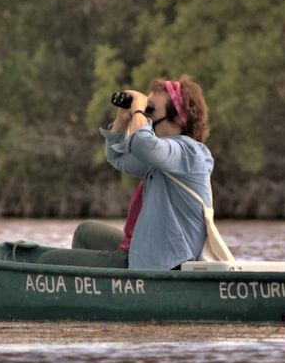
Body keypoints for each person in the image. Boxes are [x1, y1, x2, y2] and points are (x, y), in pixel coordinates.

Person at [37, 75, 214, 270]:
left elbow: (144, 144)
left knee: (48, 262)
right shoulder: (161, 156)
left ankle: (98, 287)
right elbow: (118, 158)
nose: (147, 115)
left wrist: (138, 109)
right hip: (148, 249)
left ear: (177, 118)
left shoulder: (190, 154)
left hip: (165, 261)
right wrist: (122, 120)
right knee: (86, 232)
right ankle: (93, 291)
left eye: (151, 110)